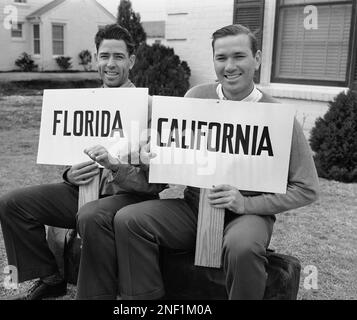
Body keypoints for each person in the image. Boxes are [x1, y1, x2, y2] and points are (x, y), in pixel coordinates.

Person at [110, 24, 320, 300]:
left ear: (256, 59)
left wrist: (247, 204)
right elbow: (172, 155)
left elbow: (307, 188)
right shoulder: (195, 98)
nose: (229, 66)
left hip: (248, 214)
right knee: (129, 219)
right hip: (194, 207)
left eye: (239, 56)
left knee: (241, 247)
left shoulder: (279, 117)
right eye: (221, 58)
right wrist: (153, 157)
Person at [0, 24, 165, 300]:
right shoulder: (84, 103)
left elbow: (154, 183)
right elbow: (73, 157)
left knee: (91, 215)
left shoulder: (150, 109)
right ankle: (52, 277)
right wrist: (69, 175)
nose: (110, 64)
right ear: (96, 58)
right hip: (81, 193)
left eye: (119, 57)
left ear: (132, 61)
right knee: (12, 204)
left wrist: (116, 167)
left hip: (128, 199)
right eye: (104, 56)